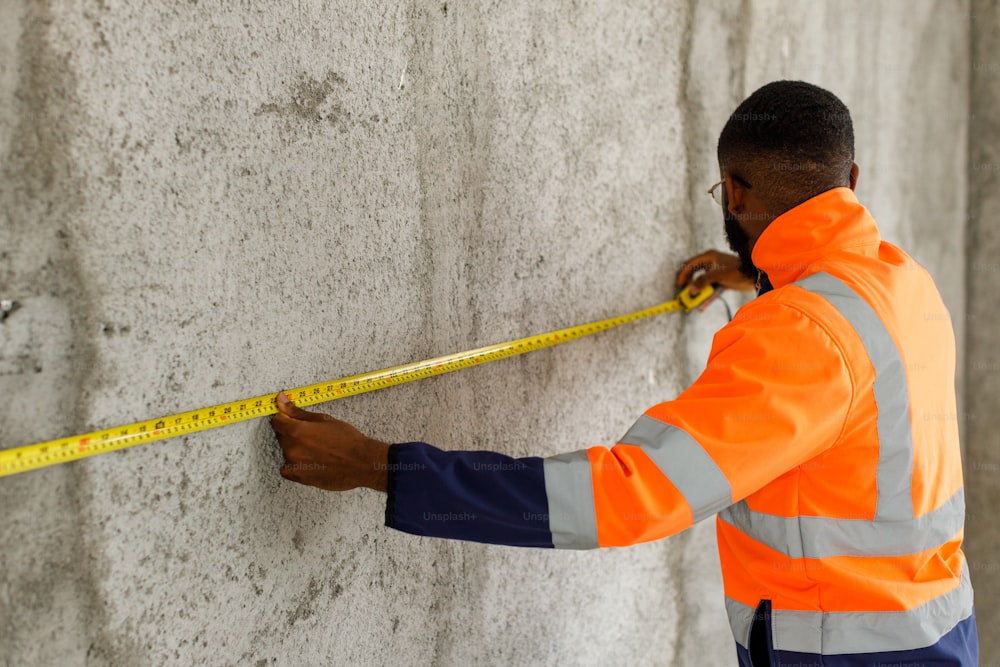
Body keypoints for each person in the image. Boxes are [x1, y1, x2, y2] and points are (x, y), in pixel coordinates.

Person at [271, 81, 978, 666]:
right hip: (939, 634)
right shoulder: (901, 283)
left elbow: (630, 496)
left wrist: (379, 466)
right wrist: (769, 272)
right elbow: (841, 361)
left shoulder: (799, 333)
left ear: (733, 192)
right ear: (850, 180)